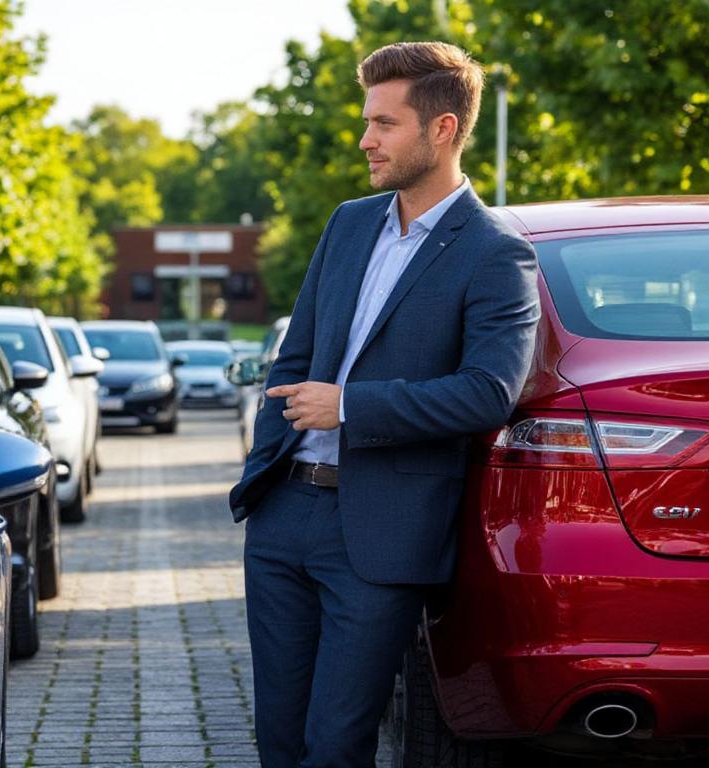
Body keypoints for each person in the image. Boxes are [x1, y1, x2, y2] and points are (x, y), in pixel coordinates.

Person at [228, 41, 541, 767]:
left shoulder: (496, 253)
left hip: (381, 536)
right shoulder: (348, 223)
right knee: (277, 740)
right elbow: (296, 359)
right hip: (283, 518)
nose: (366, 139)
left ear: (443, 129)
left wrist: (353, 408)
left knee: (336, 744)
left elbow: (489, 391)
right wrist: (262, 474)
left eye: (385, 124)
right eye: (367, 120)